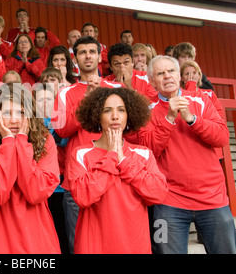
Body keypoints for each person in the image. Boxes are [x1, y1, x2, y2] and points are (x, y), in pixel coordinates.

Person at [139, 55, 236, 254]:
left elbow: (222, 138)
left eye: (171, 71)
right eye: (160, 73)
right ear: (152, 82)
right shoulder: (146, 110)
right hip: (167, 203)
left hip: (213, 199)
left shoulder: (201, 100)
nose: (167, 76)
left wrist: (192, 119)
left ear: (179, 75)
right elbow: (147, 149)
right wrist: (169, 118)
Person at [69, 87, 168, 253]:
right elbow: (83, 197)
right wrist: (112, 156)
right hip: (94, 246)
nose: (115, 116)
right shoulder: (81, 153)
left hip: (135, 246)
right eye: (107, 110)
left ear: (129, 116)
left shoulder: (142, 153)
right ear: (97, 117)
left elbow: (158, 193)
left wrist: (124, 161)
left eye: (121, 110)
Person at [50, 35, 124, 253]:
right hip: (78, 179)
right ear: (75, 58)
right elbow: (62, 129)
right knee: (79, 245)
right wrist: (88, 99)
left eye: (92, 51)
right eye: (82, 52)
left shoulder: (116, 87)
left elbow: (130, 127)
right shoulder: (65, 92)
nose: (88, 56)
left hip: (115, 174)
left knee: (115, 242)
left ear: (100, 56)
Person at [0, 82, 61, 253]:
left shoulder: (44, 140)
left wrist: (21, 141)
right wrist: (8, 144)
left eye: (21, 113)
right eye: (7, 113)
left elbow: (35, 193)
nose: (14, 120)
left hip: (37, 236)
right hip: (0, 236)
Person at [34, 83, 70, 253]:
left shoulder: (61, 122)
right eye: (40, 99)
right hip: (39, 187)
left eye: (48, 99)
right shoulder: (29, 124)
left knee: (62, 233)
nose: (44, 103)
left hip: (61, 186)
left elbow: (62, 140)